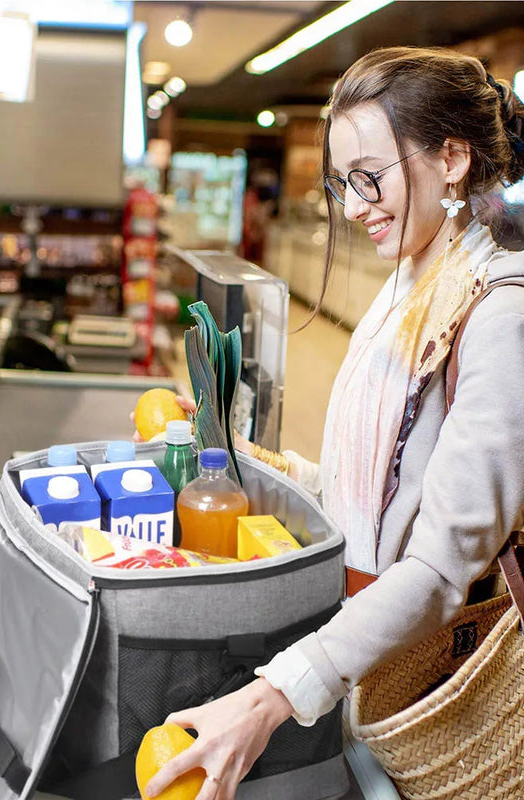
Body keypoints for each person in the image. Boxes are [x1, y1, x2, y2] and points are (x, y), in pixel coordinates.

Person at [145, 46, 524, 800]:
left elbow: (442, 567)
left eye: (369, 178)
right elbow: (376, 505)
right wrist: (259, 462)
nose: (353, 208)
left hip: (441, 686)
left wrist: (271, 697)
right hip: (369, 656)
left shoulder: (500, 314)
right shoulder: (408, 287)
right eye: (342, 183)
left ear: (452, 158)